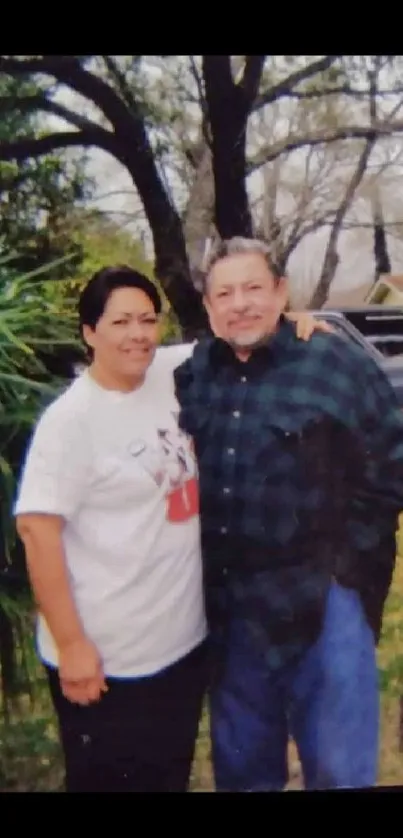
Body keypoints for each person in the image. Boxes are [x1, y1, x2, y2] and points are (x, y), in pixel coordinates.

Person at [13, 264, 327, 793]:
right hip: (110, 660)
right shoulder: (71, 423)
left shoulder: (167, 370)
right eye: (120, 323)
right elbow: (37, 533)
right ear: (89, 333)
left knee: (167, 777)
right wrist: (72, 647)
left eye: (147, 320)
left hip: (180, 649)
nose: (137, 335)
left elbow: (234, 333)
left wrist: (289, 316)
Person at [173, 236, 403, 792]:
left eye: (255, 287)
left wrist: (348, 575)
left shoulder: (333, 361)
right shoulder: (196, 371)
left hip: (323, 601)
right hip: (232, 612)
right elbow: (118, 370)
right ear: (208, 308)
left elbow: (390, 464)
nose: (240, 303)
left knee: (340, 773)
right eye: (224, 293)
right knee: (244, 772)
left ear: (281, 292)